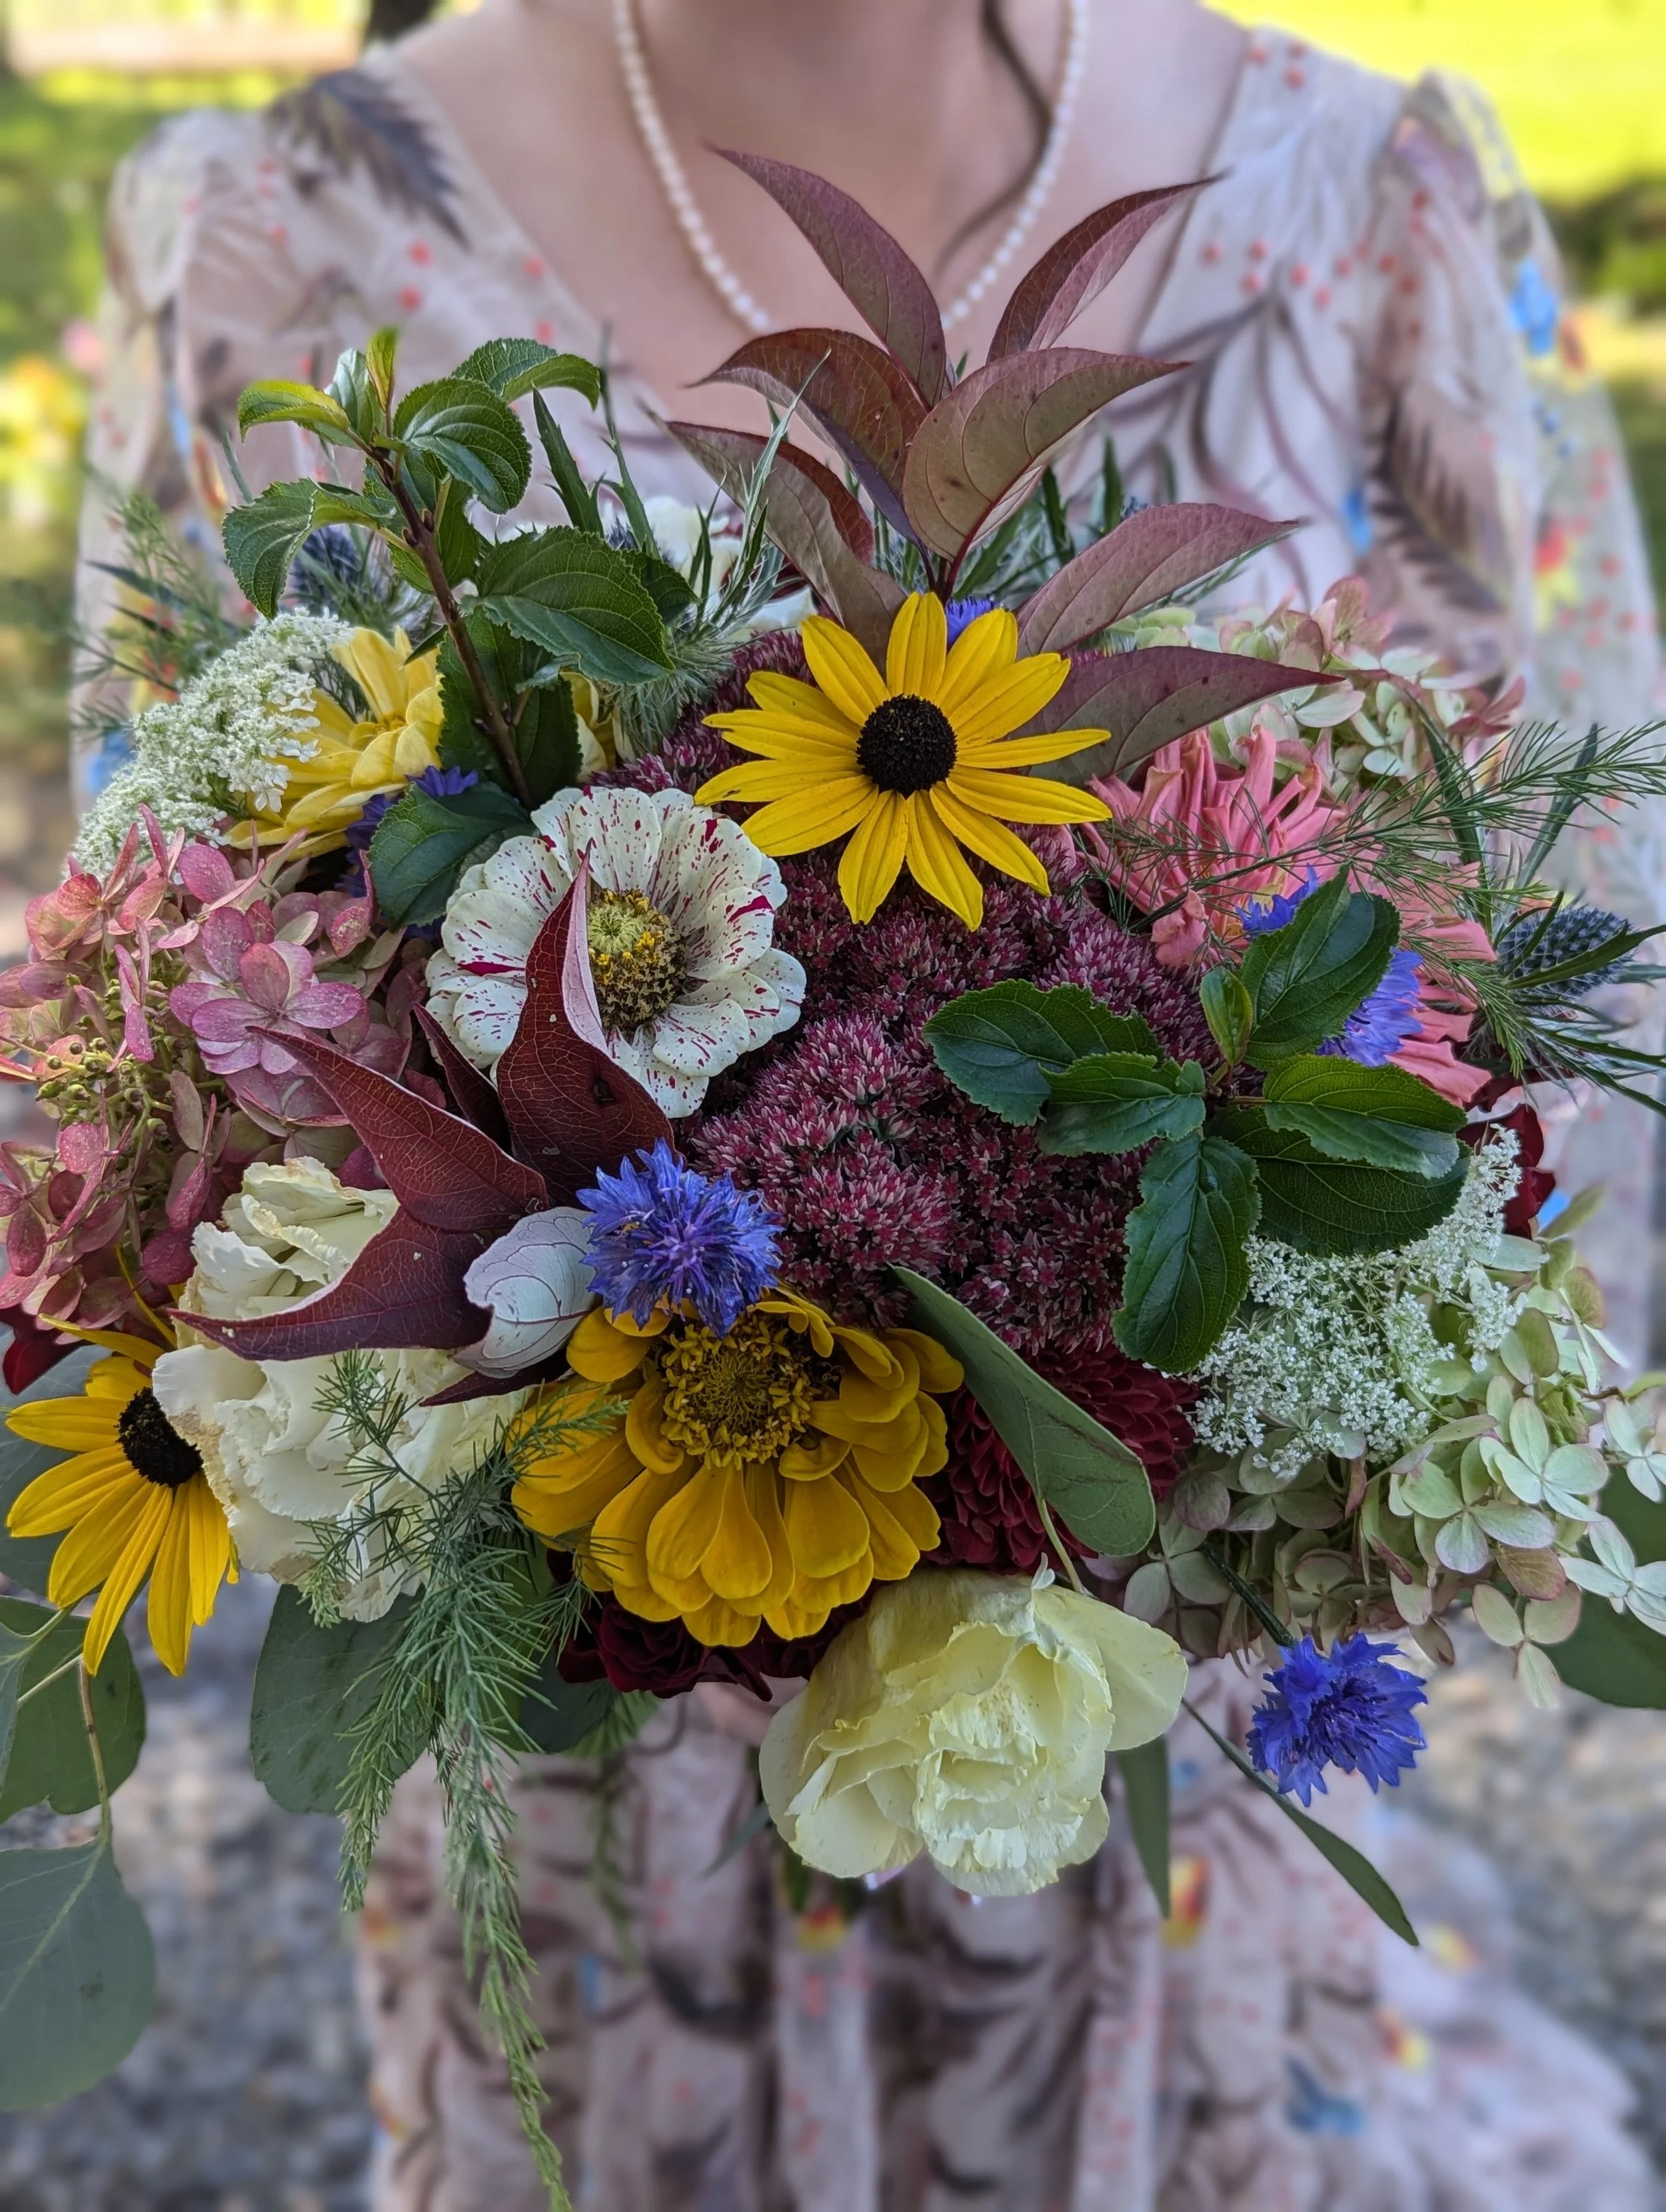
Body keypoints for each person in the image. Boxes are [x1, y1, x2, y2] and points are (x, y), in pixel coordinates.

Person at [74, 3, 1662, 2205]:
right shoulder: (299, 230)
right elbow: (170, 979)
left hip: (1136, 1755)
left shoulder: (1359, 198)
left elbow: (1565, 952)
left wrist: (1287, 1445)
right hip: (592, 1765)